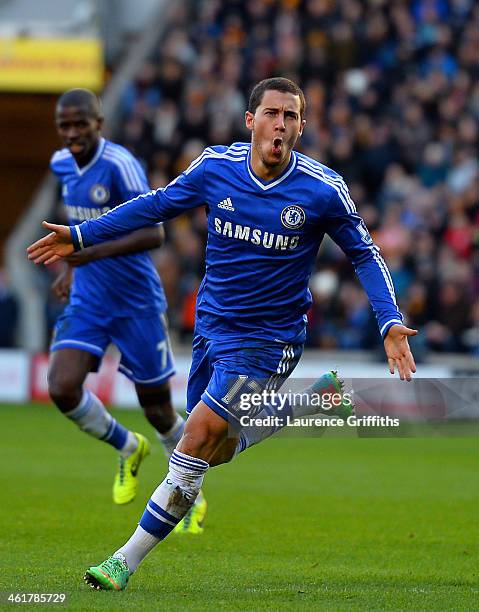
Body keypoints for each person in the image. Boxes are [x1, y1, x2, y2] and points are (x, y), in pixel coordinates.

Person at [28, 78, 417, 591]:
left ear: (301, 127)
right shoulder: (216, 168)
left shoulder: (322, 189)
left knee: (196, 437)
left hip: (269, 341)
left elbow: (365, 254)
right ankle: (311, 403)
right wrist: (80, 234)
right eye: (273, 113)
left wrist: (388, 321)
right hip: (214, 326)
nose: (282, 124)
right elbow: (155, 206)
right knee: (216, 448)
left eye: (292, 117)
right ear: (250, 120)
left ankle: (124, 560)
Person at [38, 88, 207, 532]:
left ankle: (189, 491)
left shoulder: (120, 165)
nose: (72, 132)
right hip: (89, 298)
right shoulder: (60, 164)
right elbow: (77, 224)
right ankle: (127, 446)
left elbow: (154, 235)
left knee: (158, 410)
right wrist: (73, 270)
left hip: (135, 301)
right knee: (61, 386)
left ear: (99, 123)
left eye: (80, 123)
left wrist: (86, 254)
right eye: (65, 124)